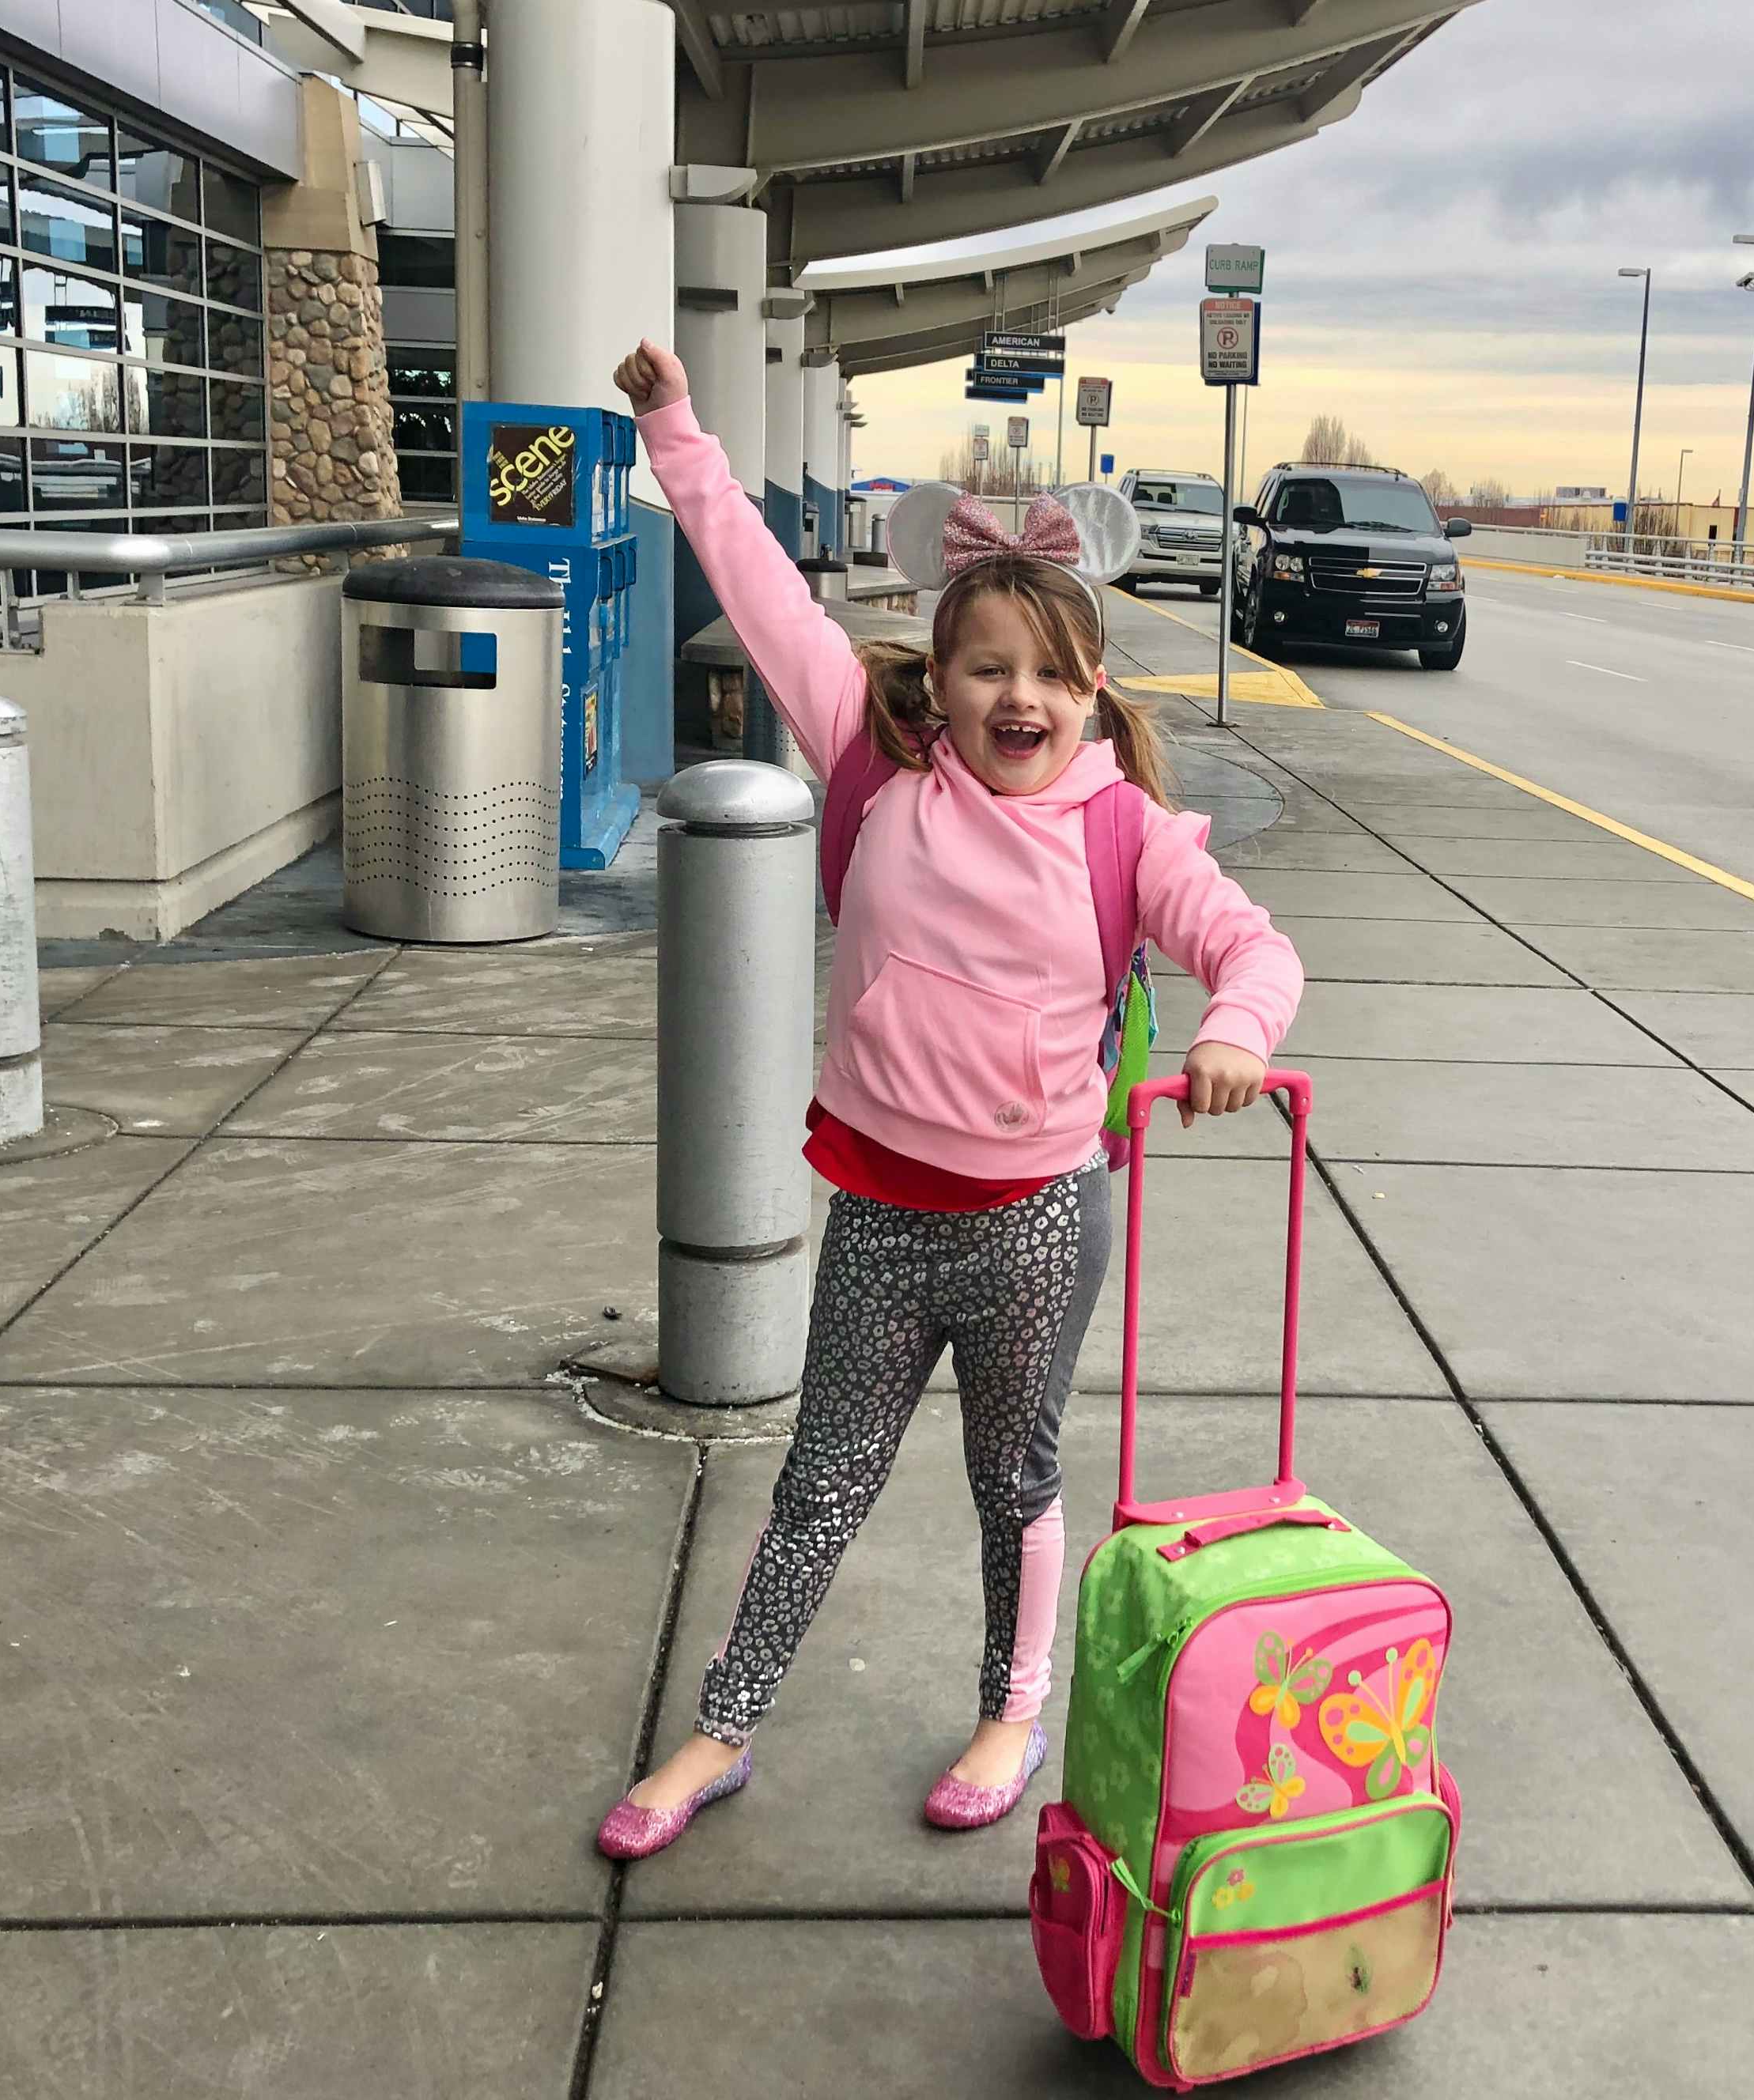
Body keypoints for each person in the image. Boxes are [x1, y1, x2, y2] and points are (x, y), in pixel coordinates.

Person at [598, 339, 1304, 1858]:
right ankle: (719, 1732)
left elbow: (1252, 946)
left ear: (1094, 686)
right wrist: (675, 431)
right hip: (884, 1213)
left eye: (1053, 672)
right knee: (820, 1485)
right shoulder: (875, 768)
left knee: (1016, 1482)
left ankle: (1011, 1708)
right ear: (943, 671)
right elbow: (759, 579)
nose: (1019, 696)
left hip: (1040, 1219)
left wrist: (1238, 1026)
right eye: (989, 666)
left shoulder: (1130, 831)